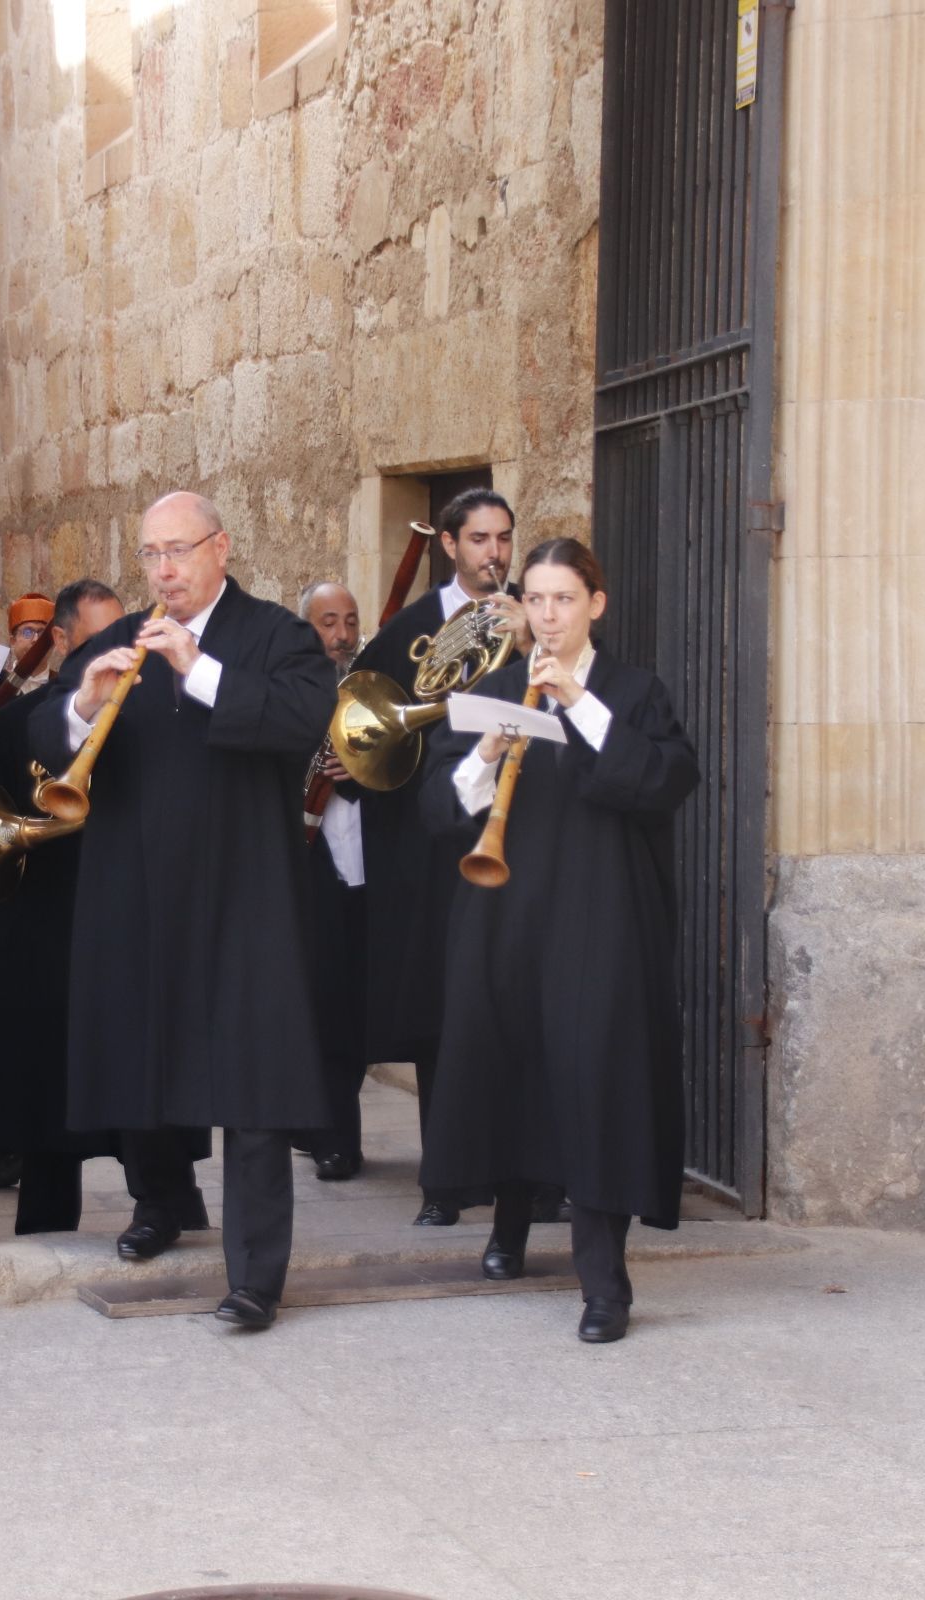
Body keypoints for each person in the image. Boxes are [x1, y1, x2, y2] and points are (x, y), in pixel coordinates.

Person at [33, 492, 335, 1329]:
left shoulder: (279, 636)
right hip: (139, 888)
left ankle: (254, 1279)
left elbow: (304, 718)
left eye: (179, 551)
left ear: (221, 548)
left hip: (246, 893)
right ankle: (161, 1203)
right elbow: (45, 741)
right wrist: (83, 706)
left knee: (253, 1086)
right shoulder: (117, 639)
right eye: (151, 555)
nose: (164, 570)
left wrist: (196, 669)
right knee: (144, 1055)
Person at [419, 537, 699, 1343]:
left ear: (595, 605)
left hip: (599, 921)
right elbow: (437, 814)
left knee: (594, 1083)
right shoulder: (495, 691)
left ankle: (604, 1285)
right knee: (510, 1067)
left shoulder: (633, 693)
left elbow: (662, 783)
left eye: (564, 600)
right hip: (505, 917)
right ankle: (507, 1230)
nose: (547, 617)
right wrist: (484, 751)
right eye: (536, 601)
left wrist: (575, 702)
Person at [0, 577, 172, 1233]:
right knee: (47, 1087)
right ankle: (46, 1218)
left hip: (125, 924)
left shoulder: (149, 714)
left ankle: (164, 1203)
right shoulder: (10, 726)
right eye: (101, 639)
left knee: (141, 1074)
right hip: (45, 930)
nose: (120, 653)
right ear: (62, 640)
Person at [353, 488, 526, 1225]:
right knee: (441, 1019)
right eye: (480, 540)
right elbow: (367, 730)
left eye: (504, 539)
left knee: (518, 1010)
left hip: (517, 838)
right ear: (450, 545)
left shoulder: (531, 617)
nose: (495, 554)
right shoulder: (412, 628)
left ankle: (531, 1180)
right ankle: (446, 1184)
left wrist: (529, 641)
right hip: (432, 849)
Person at [298, 581, 368, 1181]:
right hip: (313, 861)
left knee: (361, 1007)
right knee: (325, 1007)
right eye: (328, 622)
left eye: (349, 621)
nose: (341, 635)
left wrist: (365, 768)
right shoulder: (295, 693)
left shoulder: (370, 693)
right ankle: (333, 1141)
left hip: (369, 867)